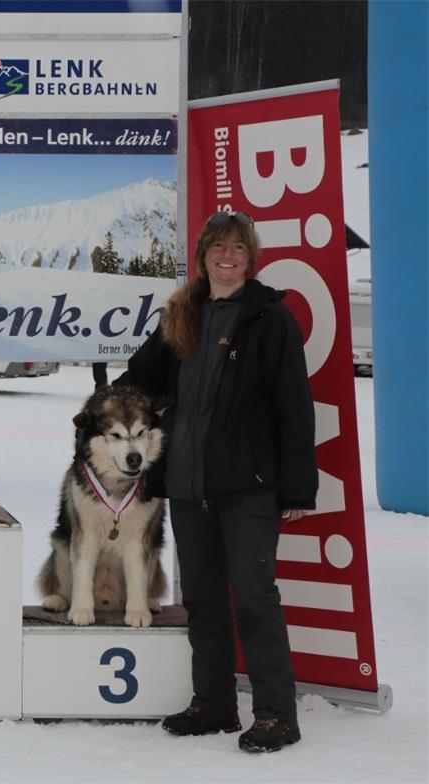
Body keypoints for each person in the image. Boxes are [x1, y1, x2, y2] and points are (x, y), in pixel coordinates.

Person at [116, 210, 317, 753]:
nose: (226, 258)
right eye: (216, 249)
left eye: (237, 249)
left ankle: (277, 714)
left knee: (254, 597)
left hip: (249, 486)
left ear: (250, 258)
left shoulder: (271, 319)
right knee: (203, 598)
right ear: (203, 257)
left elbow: (294, 408)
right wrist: (104, 411)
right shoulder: (183, 314)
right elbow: (138, 378)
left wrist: (298, 489)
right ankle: (214, 704)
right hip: (187, 481)